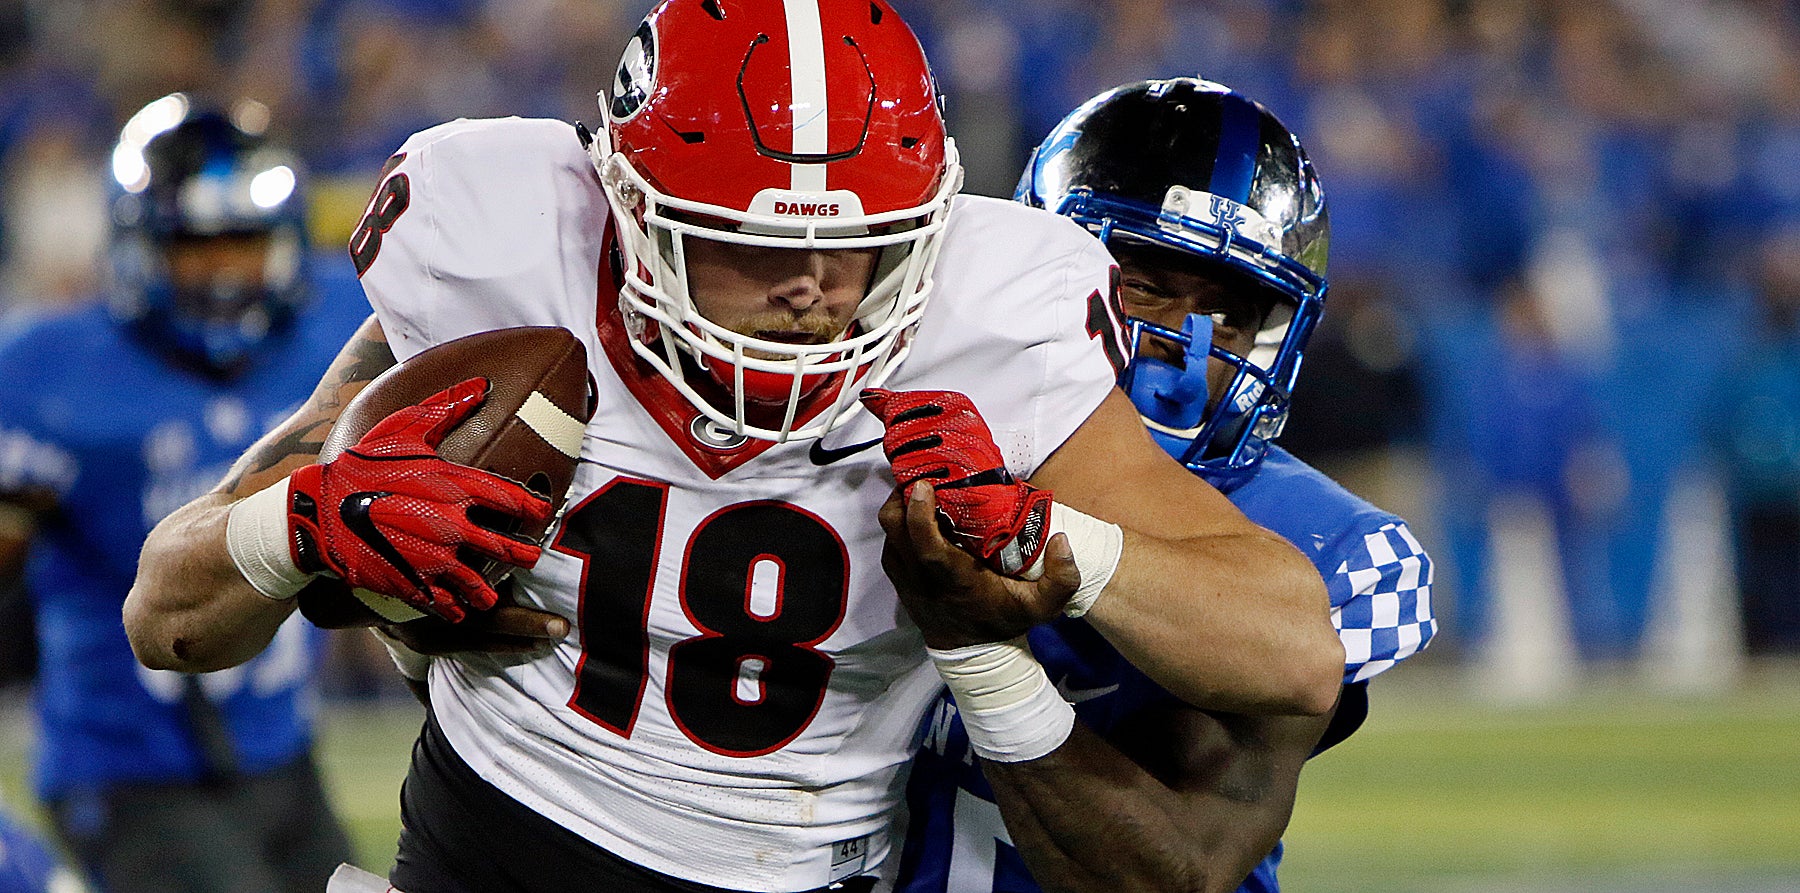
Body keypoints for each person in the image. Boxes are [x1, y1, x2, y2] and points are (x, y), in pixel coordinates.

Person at [123, 4, 1345, 891]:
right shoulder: (505, 253)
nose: (815, 287)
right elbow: (168, 619)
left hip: (812, 868)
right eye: (750, 244)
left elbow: (1292, 650)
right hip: (490, 852)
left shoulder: (989, 326)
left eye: (864, 243)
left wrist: (1049, 540)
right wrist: (295, 525)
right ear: (634, 208)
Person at [887, 78, 1436, 893]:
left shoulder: (1318, 546)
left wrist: (993, 629)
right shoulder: (908, 436)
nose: (1180, 344)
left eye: (1229, 312)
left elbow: (1174, 869)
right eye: (1143, 285)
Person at [0, 93, 358, 893]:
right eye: (196, 248)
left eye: (244, 244)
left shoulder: (341, 329)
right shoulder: (47, 376)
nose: (225, 272)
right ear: (137, 248)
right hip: (128, 774)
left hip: (284, 756)